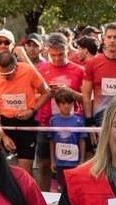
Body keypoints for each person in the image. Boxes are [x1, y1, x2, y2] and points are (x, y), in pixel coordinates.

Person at [34, 33, 88, 189]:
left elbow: (86, 98)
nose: (57, 59)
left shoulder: (78, 70)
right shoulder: (41, 70)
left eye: (61, 54)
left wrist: (68, 91)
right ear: (47, 52)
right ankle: (44, 200)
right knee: (45, 165)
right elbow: (34, 97)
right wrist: (46, 94)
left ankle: (71, 198)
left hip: (72, 125)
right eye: (52, 55)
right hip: (46, 123)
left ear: (67, 50)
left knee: (73, 167)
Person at [0, 50, 50, 173]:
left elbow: (46, 92)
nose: (5, 77)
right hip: (4, 124)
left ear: (16, 67)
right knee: (2, 170)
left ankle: (24, 191)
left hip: (26, 123)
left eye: (9, 74)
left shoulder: (28, 70)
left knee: (24, 171)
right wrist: (3, 136)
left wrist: (32, 110)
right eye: (2, 74)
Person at [81, 22, 116, 125]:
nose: (112, 40)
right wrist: (89, 121)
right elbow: (86, 95)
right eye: (109, 37)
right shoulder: (92, 64)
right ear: (103, 39)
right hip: (100, 119)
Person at [46, 88, 88, 191]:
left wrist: (82, 160)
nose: (66, 106)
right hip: (59, 162)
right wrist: (52, 160)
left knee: (73, 187)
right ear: (58, 104)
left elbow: (82, 141)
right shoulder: (53, 120)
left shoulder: (78, 121)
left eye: (69, 103)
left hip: (74, 162)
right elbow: (52, 141)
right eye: (63, 103)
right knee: (61, 186)